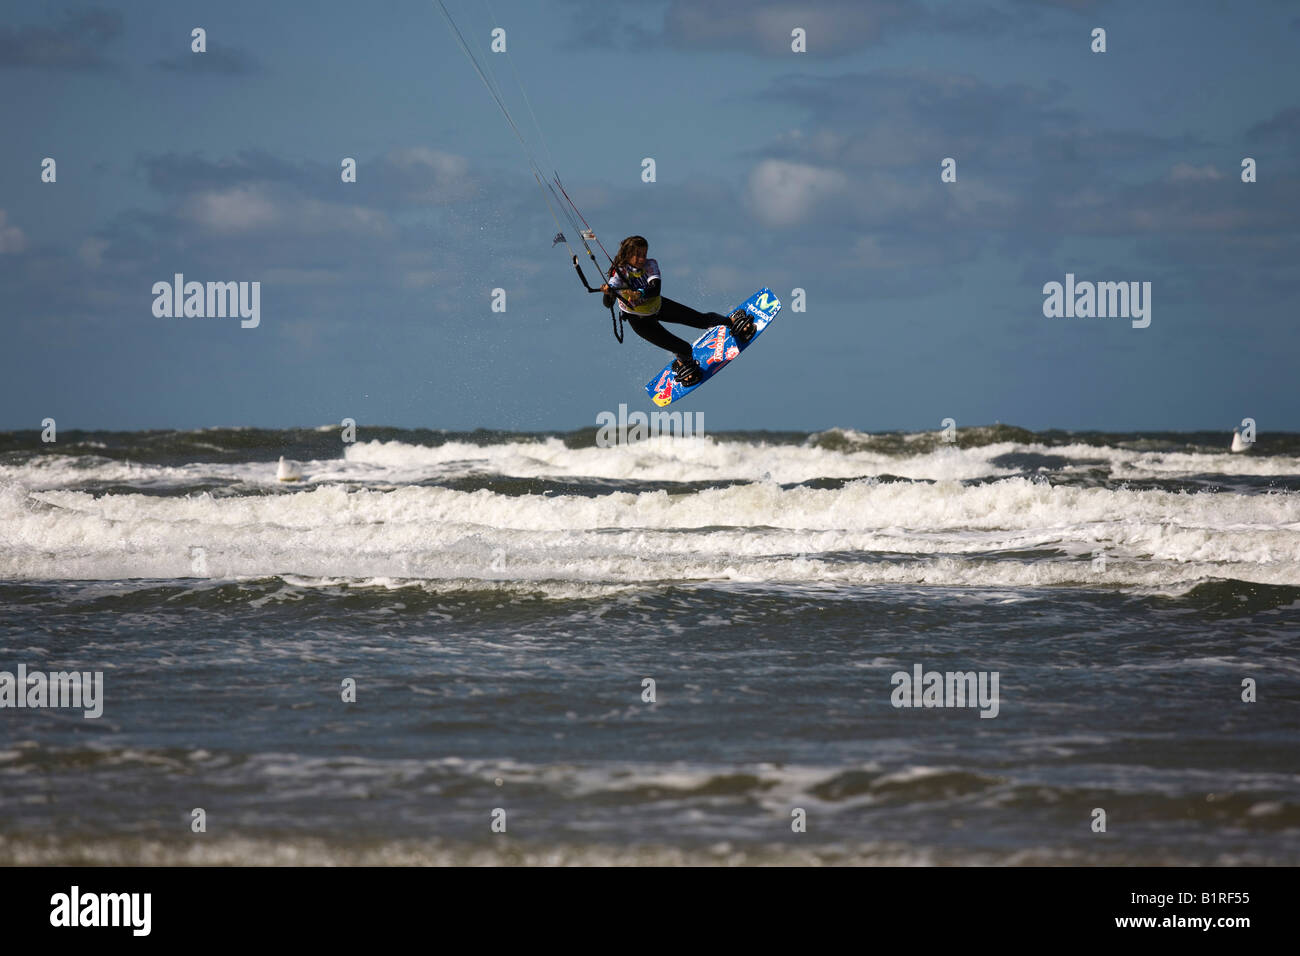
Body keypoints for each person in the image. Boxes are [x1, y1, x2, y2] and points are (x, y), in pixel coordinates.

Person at [600, 236, 754, 387]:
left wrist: (639, 293)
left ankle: (731, 321)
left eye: (644, 254)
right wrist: (608, 293)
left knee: (701, 320)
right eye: (637, 255)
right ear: (627, 254)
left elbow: (655, 288)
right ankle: (682, 362)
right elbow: (608, 304)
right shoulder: (619, 274)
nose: (641, 259)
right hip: (640, 322)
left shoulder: (650, 265)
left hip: (659, 306)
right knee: (685, 348)